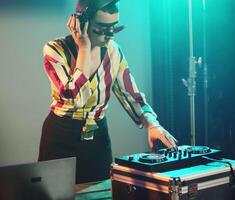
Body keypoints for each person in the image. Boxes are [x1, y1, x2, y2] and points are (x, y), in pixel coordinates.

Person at [38, 0, 177, 184]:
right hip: (61, 136)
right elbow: (75, 98)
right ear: (81, 23)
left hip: (98, 138)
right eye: (103, 28)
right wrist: (85, 48)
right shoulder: (54, 49)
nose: (110, 35)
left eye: (114, 27)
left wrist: (153, 124)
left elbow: (131, 94)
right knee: (55, 194)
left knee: (102, 192)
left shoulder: (113, 51)